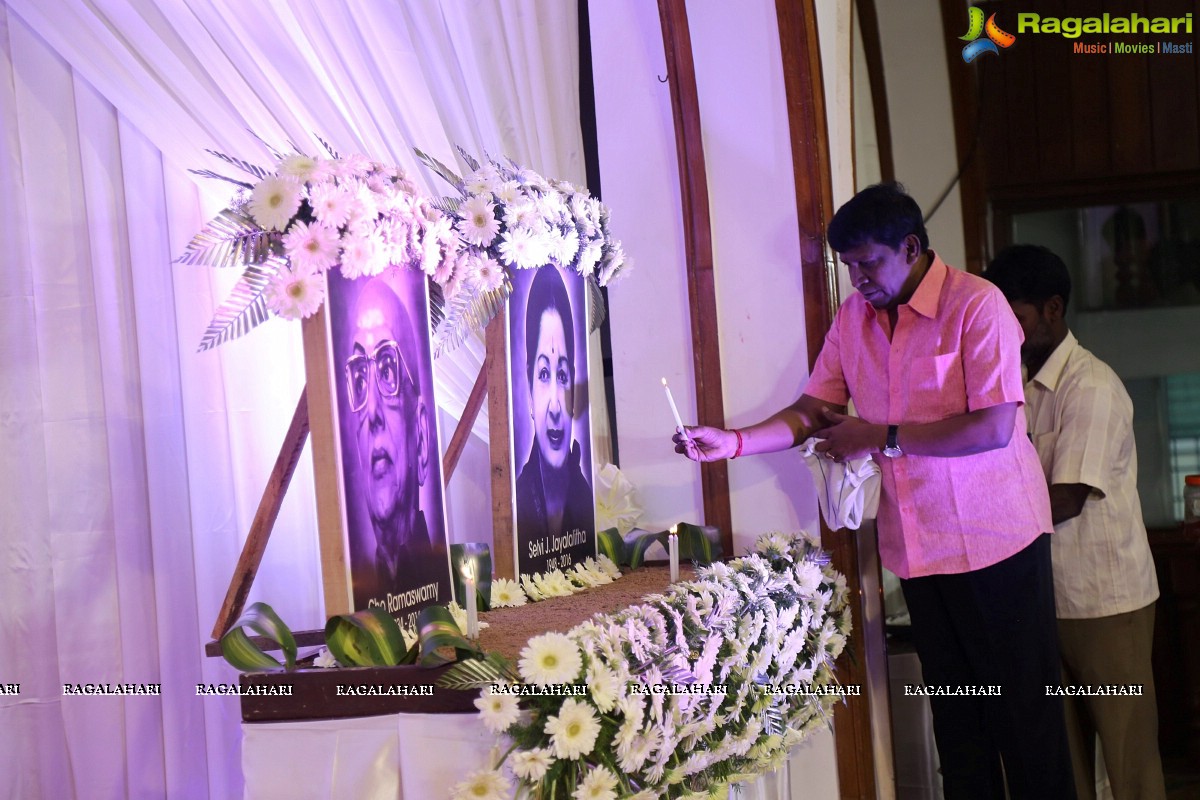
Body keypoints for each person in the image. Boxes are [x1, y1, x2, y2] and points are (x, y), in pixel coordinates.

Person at [675, 183, 1074, 799]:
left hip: (999, 546)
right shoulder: (854, 320)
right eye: (848, 266)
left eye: (868, 263)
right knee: (960, 729)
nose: (857, 279)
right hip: (920, 549)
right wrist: (730, 444)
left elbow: (994, 429)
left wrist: (882, 435)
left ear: (910, 247)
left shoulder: (977, 305)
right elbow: (815, 409)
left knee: (1027, 726)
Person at [985, 245, 1165, 800]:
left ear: (1054, 309)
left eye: (1015, 318)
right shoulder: (1012, 382)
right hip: (1044, 600)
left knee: (1128, 761)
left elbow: (1064, 499)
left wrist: (976, 514)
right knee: (1060, 768)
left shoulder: (1091, 385)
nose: (1006, 334)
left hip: (1106, 604)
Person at [345, 277, 440, 594]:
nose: (371, 412)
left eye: (387, 371)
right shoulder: (358, 591)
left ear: (423, 440)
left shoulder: (437, 583)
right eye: (359, 379)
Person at [515, 266, 592, 547]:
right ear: (529, 387)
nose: (557, 405)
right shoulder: (518, 503)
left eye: (562, 376)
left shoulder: (586, 502)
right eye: (544, 375)